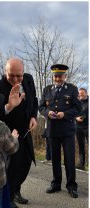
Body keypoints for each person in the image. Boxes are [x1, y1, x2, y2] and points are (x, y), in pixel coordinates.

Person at [0, 58, 38, 208]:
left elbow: (34, 100)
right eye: (11, 75)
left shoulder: (29, 80)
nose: (15, 79)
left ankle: (16, 190)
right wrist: (10, 106)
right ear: (5, 72)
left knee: (26, 164)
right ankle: (8, 199)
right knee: (12, 167)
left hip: (26, 131)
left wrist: (33, 117)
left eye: (19, 76)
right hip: (10, 134)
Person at [39, 64, 81, 198]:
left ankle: (71, 186)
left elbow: (78, 108)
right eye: (55, 76)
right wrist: (47, 112)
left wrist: (65, 114)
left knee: (69, 159)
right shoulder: (47, 90)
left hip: (67, 130)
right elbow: (40, 107)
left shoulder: (73, 89)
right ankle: (56, 184)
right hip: (52, 130)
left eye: (60, 76)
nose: (58, 78)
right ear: (53, 76)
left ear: (65, 76)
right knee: (55, 159)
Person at [75, 88, 88, 170]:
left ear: (86, 93)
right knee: (81, 146)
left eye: (82, 93)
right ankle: (81, 164)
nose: (81, 95)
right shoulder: (77, 103)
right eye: (79, 93)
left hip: (88, 127)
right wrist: (76, 118)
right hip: (78, 127)